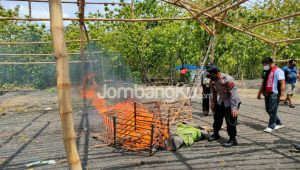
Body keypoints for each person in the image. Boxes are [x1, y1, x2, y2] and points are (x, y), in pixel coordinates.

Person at [206, 65, 241, 147]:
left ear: (218, 73)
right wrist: (212, 102)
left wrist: (234, 109)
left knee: (230, 121)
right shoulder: (212, 80)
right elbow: (213, 91)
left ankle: (233, 140)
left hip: (231, 102)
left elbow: (233, 95)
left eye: (212, 76)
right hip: (221, 101)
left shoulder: (228, 80)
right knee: (217, 119)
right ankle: (215, 134)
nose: (211, 78)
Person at [257, 57, 286, 133]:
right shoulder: (265, 71)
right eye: (263, 65)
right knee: (268, 109)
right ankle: (279, 123)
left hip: (275, 93)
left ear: (270, 63)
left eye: (265, 65)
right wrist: (259, 92)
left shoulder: (278, 71)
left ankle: (271, 126)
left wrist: (282, 95)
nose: (264, 66)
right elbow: (263, 82)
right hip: (266, 92)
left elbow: (282, 83)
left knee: (272, 110)